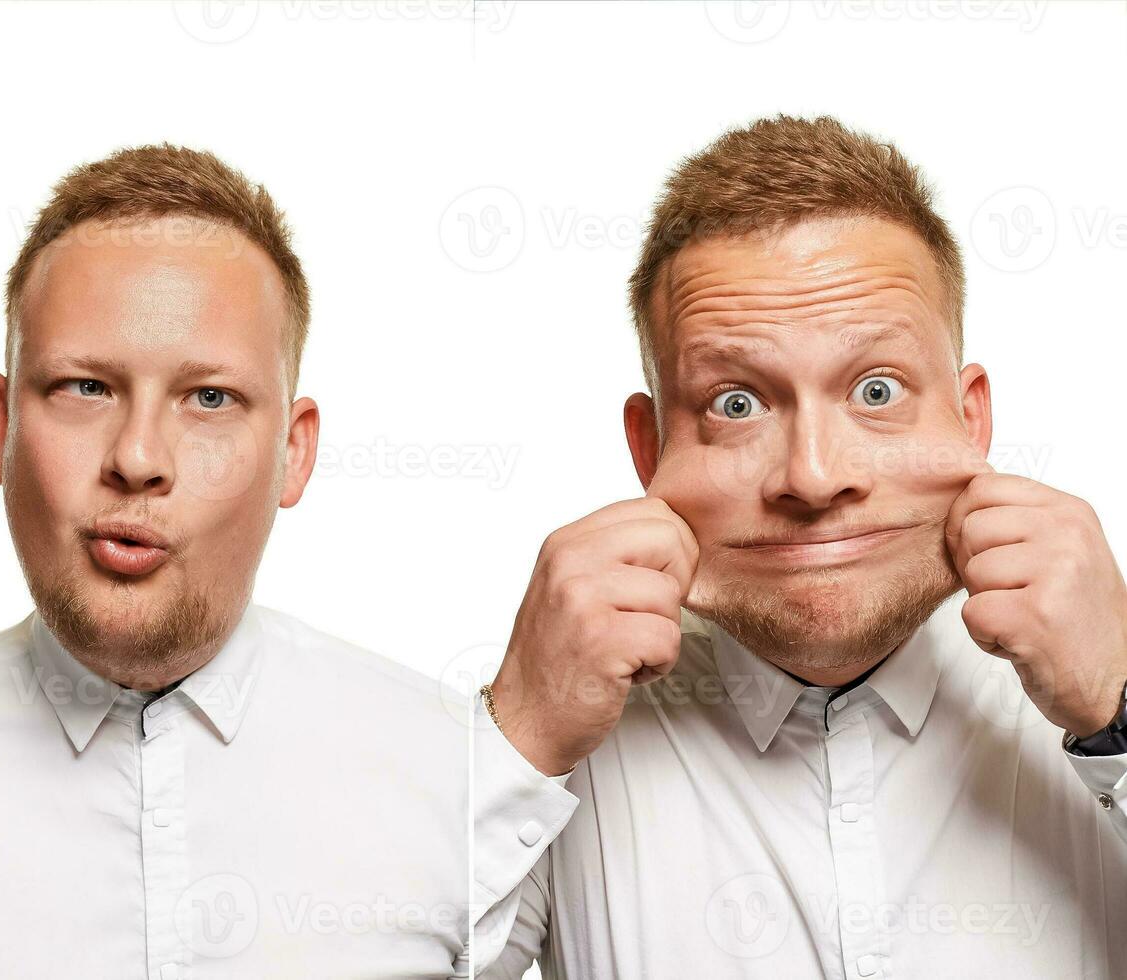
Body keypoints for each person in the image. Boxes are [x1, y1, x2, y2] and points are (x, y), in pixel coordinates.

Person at [472, 115, 1127, 978]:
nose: (813, 478)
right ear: (648, 451)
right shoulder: (557, 749)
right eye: (735, 404)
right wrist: (515, 739)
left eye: (876, 389)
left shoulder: (1100, 684)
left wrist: (1117, 709)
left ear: (970, 421)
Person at [0, 144, 468, 979]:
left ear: (295, 454)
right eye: (85, 387)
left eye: (209, 398)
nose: (137, 457)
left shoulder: (460, 773)